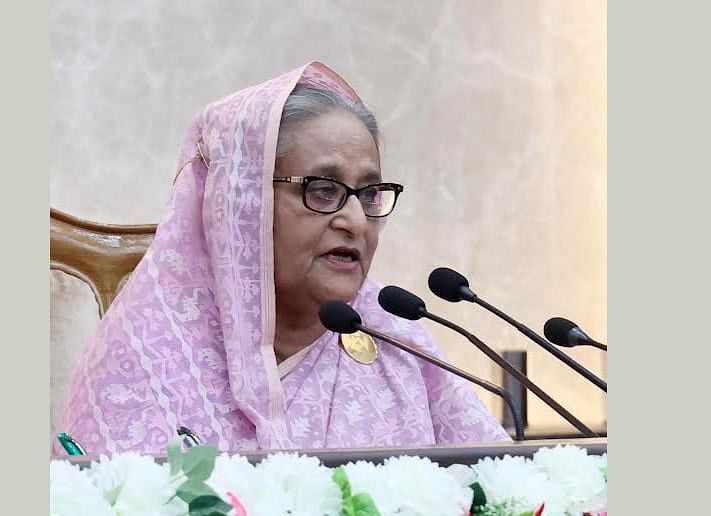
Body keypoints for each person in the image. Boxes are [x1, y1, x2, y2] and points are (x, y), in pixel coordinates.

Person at [58, 61, 509, 454]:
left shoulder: (395, 337)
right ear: (242, 206)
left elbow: (498, 492)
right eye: (324, 189)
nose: (355, 220)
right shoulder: (147, 356)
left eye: (369, 192)